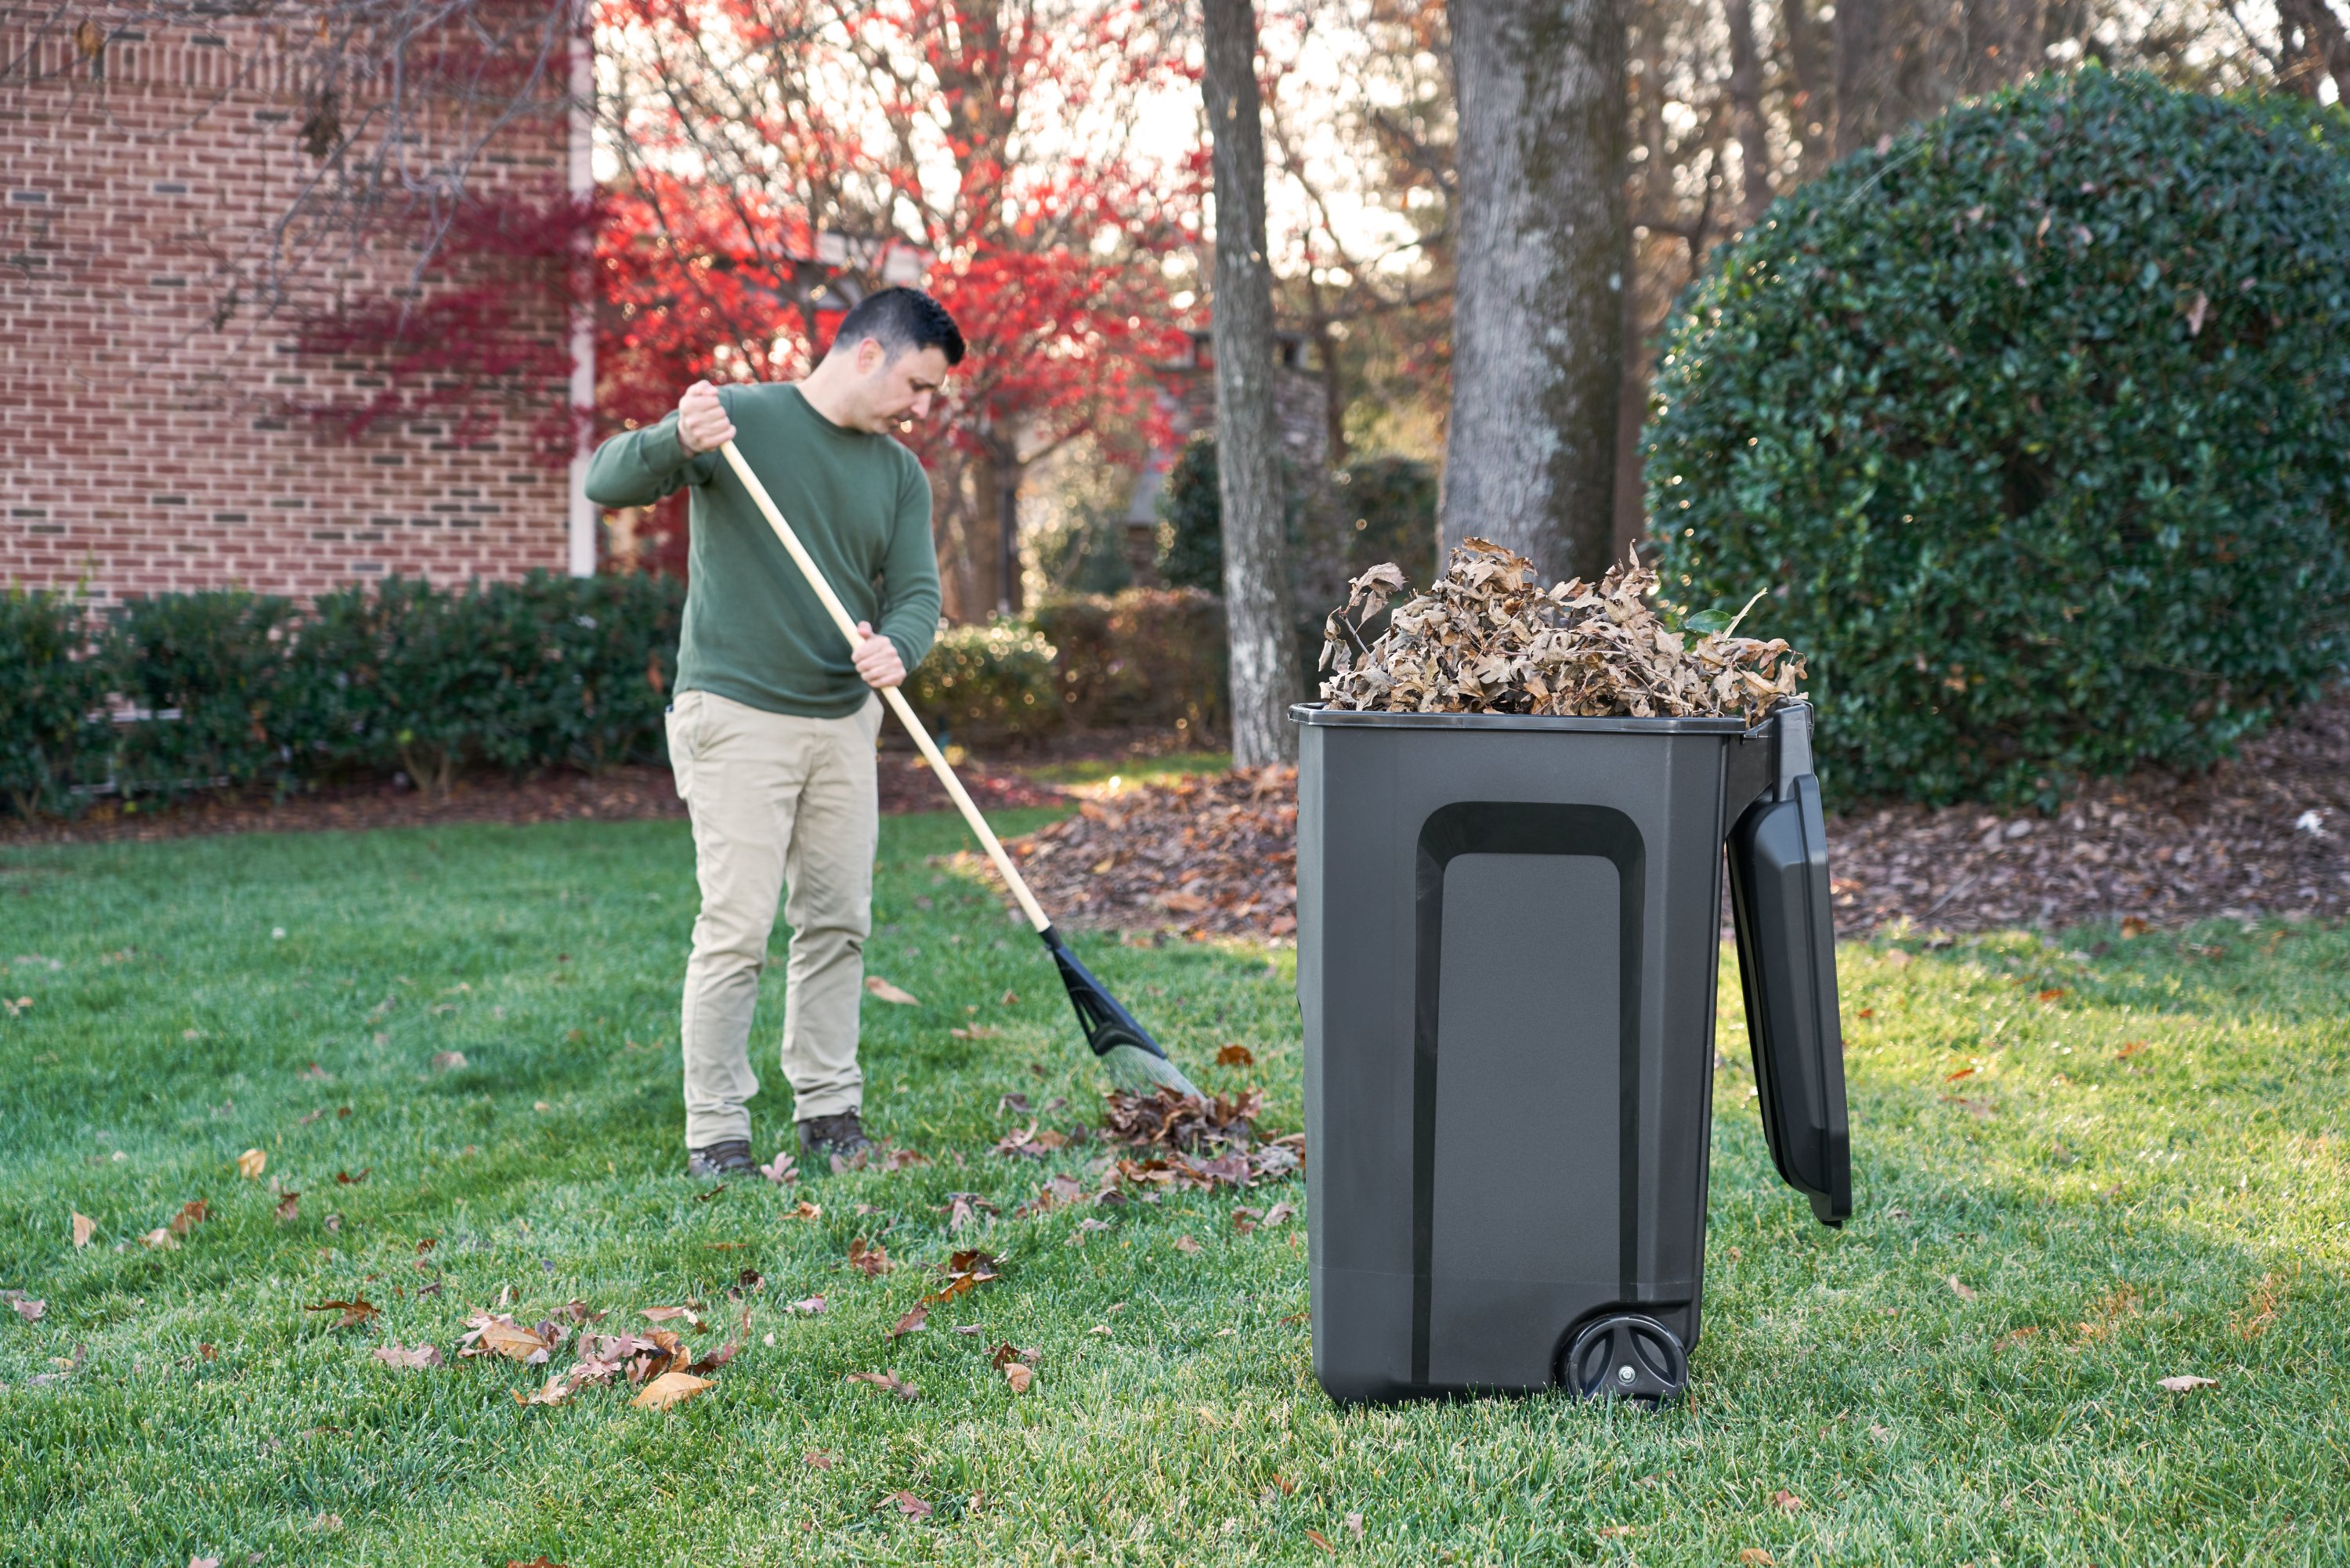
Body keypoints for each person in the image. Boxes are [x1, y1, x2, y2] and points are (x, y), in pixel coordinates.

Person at [584, 287, 962, 1178]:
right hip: (736, 713)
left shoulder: (900, 474)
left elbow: (916, 596)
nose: (921, 407)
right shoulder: (739, 421)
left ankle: (830, 1112)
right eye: (917, 383)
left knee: (838, 923)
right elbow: (605, 481)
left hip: (841, 720)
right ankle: (717, 1131)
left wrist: (898, 650)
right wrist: (677, 438)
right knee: (739, 927)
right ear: (868, 352)